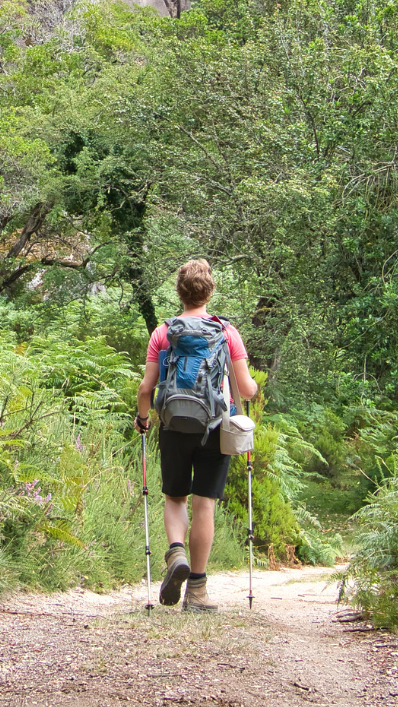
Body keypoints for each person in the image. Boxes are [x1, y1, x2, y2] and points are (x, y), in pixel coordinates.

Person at [134, 258, 258, 611]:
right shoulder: (226, 332)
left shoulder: (163, 332)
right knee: (205, 503)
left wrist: (143, 418)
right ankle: (198, 592)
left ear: (180, 292)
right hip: (215, 428)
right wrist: (248, 391)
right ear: (209, 290)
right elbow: (247, 390)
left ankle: (176, 554)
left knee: (175, 498)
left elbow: (147, 388)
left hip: (173, 426)